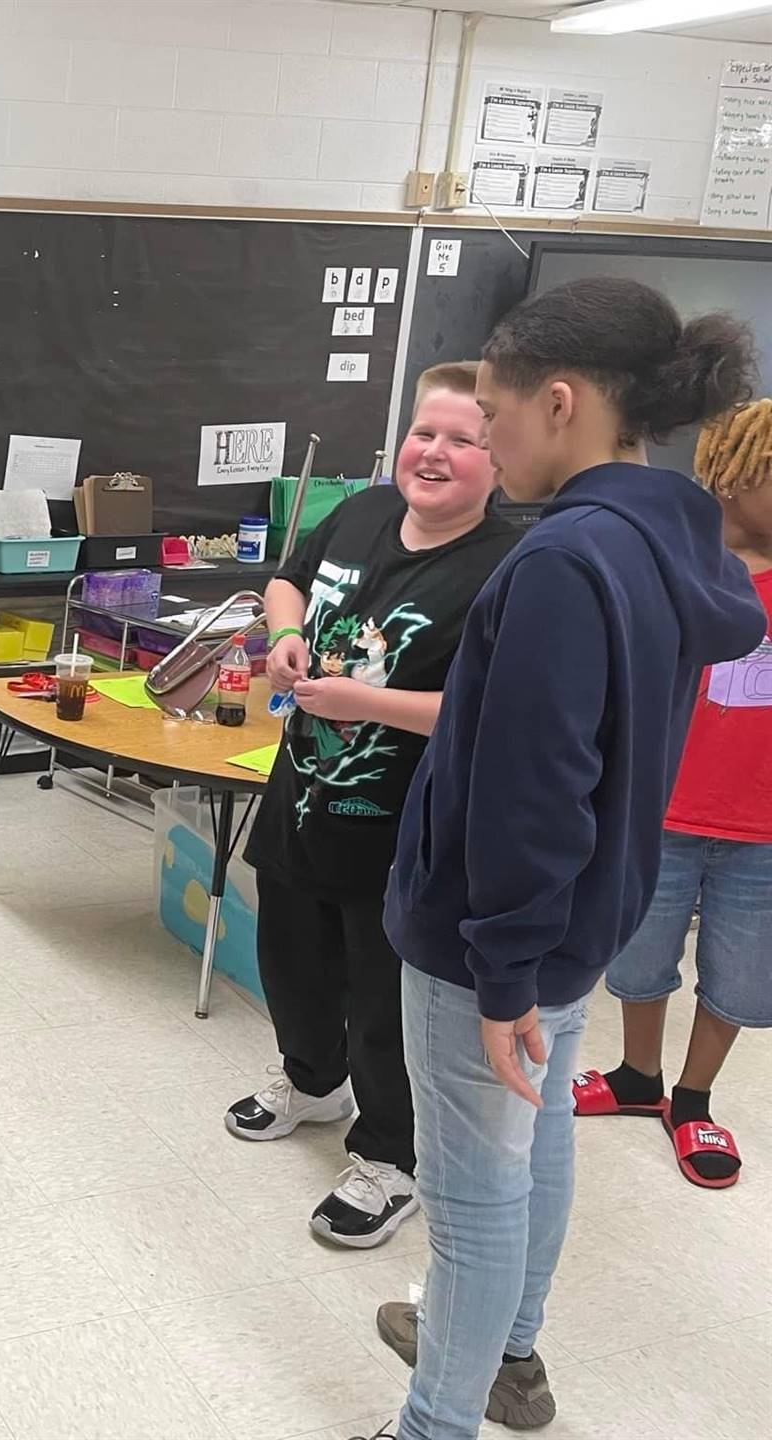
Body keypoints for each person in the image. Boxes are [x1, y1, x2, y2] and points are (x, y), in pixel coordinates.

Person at [370, 278, 765, 1440]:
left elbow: (532, 785)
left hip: (493, 936)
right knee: (533, 1146)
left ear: (558, 401)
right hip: (585, 915)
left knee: (474, 1189)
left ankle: (436, 1419)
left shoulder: (561, 560)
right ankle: (511, 1354)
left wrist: (500, 968)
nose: (481, 436)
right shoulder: (672, 535)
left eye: (488, 412)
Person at [226, 362, 520, 1248]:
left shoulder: (506, 568)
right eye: (423, 434)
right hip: (300, 800)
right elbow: (288, 578)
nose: (433, 453)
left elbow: (496, 717)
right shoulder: (357, 513)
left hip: (402, 833)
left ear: (498, 459)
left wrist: (369, 704)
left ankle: (392, 1159)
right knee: (291, 962)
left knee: (386, 1005)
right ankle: (312, 1083)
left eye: (461, 440)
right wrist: (283, 636)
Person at [571, 396, 772, 1190]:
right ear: (732, 474)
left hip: (762, 827)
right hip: (662, 808)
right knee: (639, 954)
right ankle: (636, 1077)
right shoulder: (674, 560)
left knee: (743, 969)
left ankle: (693, 1098)